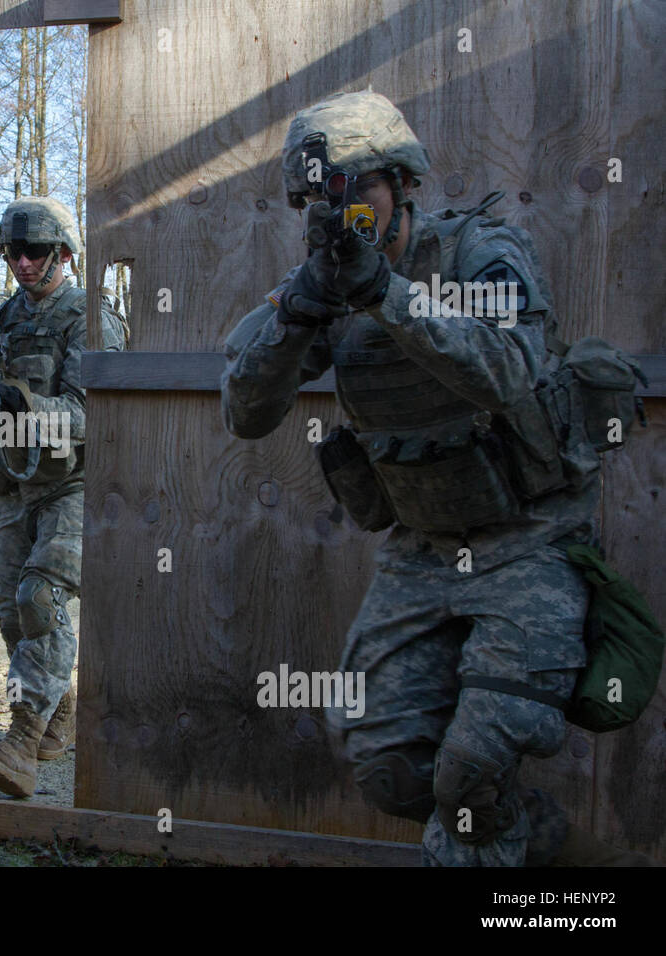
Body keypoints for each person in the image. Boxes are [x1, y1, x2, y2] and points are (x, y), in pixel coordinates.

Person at [221, 92, 654, 866]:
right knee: (387, 769)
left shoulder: (478, 253)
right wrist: (297, 316)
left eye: (356, 190)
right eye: (319, 199)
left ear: (401, 183)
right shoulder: (317, 283)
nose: (339, 212)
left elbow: (507, 370)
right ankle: (534, 843)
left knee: (472, 768)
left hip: (532, 545)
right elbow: (246, 414)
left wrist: (382, 295)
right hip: (421, 552)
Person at [0, 196, 126, 798]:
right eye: (12, 252)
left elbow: (95, 412)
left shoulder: (90, 317)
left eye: (36, 251)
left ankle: (20, 742)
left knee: (40, 596)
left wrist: (24, 403)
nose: (22, 262)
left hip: (72, 483)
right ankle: (57, 710)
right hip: (11, 481)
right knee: (8, 606)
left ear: (63, 254)